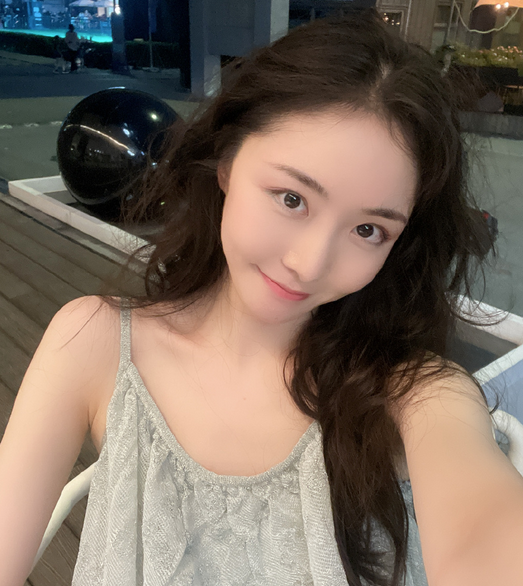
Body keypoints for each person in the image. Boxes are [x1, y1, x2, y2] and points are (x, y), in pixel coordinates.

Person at [1, 10, 523, 586]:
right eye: (292, 199)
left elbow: (483, 532)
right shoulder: (93, 343)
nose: (309, 263)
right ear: (227, 162)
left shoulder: (413, 393)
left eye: (368, 229)